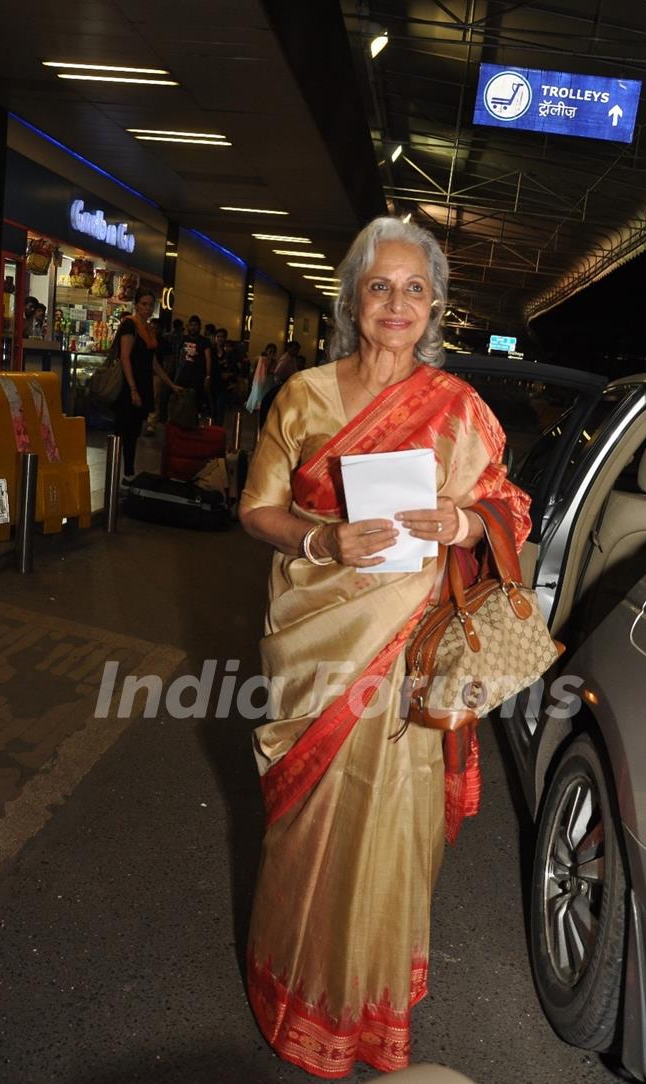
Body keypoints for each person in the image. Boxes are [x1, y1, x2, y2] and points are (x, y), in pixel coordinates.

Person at [239, 216, 531, 1078]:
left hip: (410, 657)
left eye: (413, 288)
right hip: (317, 647)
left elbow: (509, 512)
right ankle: (291, 992)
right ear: (353, 300)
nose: (395, 304)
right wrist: (321, 544)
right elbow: (257, 509)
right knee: (305, 827)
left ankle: (367, 1014)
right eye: (379, 286)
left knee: (391, 835)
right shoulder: (304, 396)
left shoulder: (458, 408)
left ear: (434, 304)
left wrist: (462, 519)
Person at [114, 289, 179, 481]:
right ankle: (125, 472)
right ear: (136, 305)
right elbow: (125, 357)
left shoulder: (149, 330)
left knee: (133, 430)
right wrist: (133, 389)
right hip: (129, 385)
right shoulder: (129, 326)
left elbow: (153, 363)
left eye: (151, 305)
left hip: (143, 384)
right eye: (144, 304)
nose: (148, 308)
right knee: (125, 430)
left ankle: (127, 472)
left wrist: (171, 384)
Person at [174, 314, 212, 416]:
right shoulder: (183, 338)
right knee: (179, 403)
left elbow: (208, 358)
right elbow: (178, 355)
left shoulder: (204, 341)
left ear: (199, 327)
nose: (193, 327)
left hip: (197, 377)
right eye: (191, 325)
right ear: (187, 326)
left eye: (196, 325)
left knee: (194, 404)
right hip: (182, 375)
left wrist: (208, 376)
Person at [244, 342, 277, 414]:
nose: (272, 353)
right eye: (270, 351)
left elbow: (275, 371)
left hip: (270, 381)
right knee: (259, 396)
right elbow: (263, 371)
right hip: (262, 381)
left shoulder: (274, 361)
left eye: (273, 351)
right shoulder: (262, 359)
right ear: (266, 351)